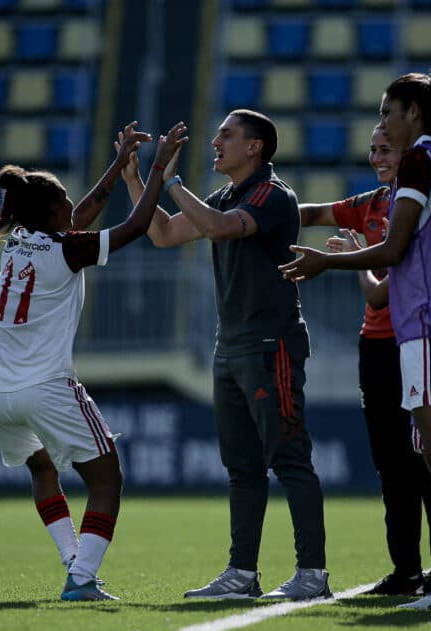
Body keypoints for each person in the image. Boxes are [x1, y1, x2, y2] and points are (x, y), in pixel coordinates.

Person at [280, 67, 431, 614]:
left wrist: (329, 260)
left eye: (388, 112)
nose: (383, 125)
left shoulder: (419, 160)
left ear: (415, 113)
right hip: (427, 322)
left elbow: (393, 249)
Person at [119, 110, 330, 601]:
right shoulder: (230, 194)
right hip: (231, 345)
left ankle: (313, 575)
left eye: (227, 134)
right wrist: (138, 179)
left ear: (255, 147)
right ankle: (241, 574)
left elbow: (215, 228)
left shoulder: (273, 195)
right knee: (243, 467)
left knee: (290, 458)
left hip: (269, 344)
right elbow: (164, 234)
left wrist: (168, 181)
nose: (215, 141)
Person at [0, 121, 179, 601]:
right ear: (50, 211)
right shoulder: (65, 249)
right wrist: (156, 172)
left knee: (44, 470)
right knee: (107, 478)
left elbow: (79, 215)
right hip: (44, 385)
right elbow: (134, 227)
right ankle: (82, 577)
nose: (72, 208)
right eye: (64, 202)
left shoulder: (18, 240)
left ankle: (73, 560)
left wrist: (117, 163)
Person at [300, 125, 431, 596]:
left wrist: (356, 258)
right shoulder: (370, 203)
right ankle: (406, 570)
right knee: (391, 464)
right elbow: (315, 212)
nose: (377, 156)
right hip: (376, 347)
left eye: (387, 148)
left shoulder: (427, 202)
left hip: (419, 342)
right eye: (373, 148)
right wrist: (259, 213)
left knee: (428, 462)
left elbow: (382, 293)